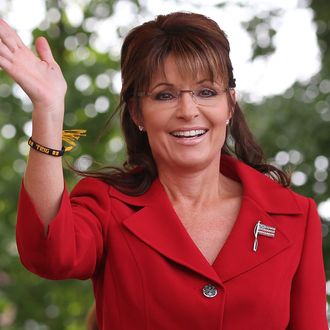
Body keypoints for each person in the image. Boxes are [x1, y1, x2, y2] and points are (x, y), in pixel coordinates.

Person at [0, 11, 327, 330]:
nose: (187, 110)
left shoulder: (295, 217)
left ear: (230, 103)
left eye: (206, 92)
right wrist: (48, 109)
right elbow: (49, 253)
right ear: (137, 112)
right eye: (165, 95)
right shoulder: (108, 205)